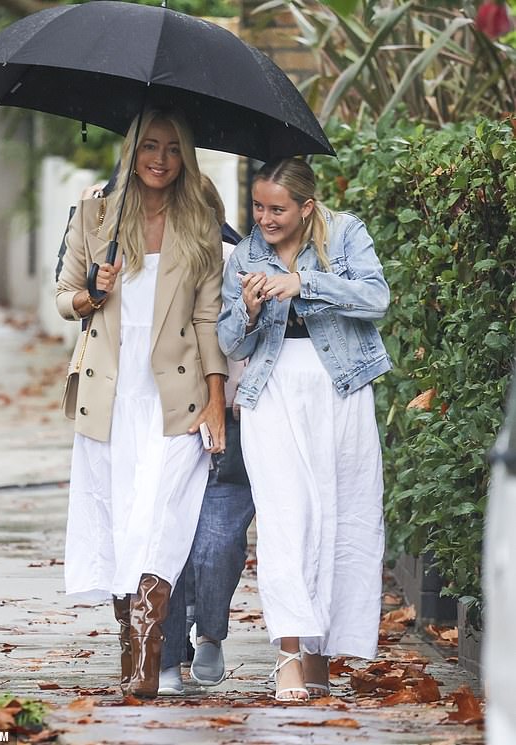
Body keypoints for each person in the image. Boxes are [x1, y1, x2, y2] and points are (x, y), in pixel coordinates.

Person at [55, 107, 227, 699]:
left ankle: (152, 660)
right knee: (119, 521)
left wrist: (214, 398)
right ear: (131, 149)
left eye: (173, 149)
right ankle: (131, 658)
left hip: (173, 398)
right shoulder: (95, 210)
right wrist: (91, 293)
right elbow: (63, 296)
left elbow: (207, 316)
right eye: (149, 146)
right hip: (110, 393)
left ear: (186, 157)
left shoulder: (200, 216)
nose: (159, 159)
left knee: (163, 518)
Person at [217, 157, 391, 701]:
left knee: (342, 515)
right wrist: (245, 312)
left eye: (278, 209)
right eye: (258, 206)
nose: (264, 218)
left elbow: (376, 299)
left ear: (307, 206)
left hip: (339, 388)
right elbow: (230, 343)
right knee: (284, 520)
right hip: (271, 393)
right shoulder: (245, 254)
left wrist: (303, 283)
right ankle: (289, 656)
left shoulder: (345, 233)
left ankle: (319, 654)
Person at [158, 175, 255, 696]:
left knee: (216, 541)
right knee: (167, 541)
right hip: (168, 420)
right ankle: (166, 657)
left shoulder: (237, 261)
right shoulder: (147, 264)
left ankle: (210, 631)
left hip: (229, 424)